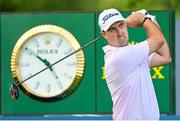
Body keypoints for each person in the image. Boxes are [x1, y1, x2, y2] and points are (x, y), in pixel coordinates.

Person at [98, 8, 171, 120]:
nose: (119, 32)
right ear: (104, 34)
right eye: (112, 29)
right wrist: (144, 19)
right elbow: (158, 40)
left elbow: (165, 57)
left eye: (121, 25)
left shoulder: (133, 53)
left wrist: (149, 19)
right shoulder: (118, 57)